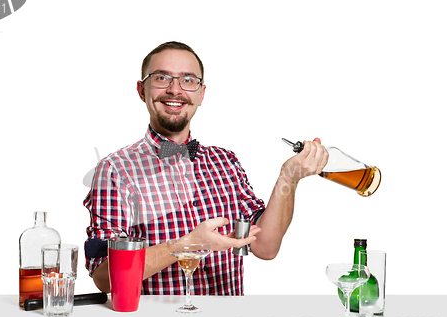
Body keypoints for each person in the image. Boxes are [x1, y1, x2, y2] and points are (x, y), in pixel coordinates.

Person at [84, 41, 329, 295]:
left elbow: (265, 248)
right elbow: (104, 277)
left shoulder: (226, 162)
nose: (175, 90)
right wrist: (186, 245)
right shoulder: (115, 169)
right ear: (141, 90)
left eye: (188, 80)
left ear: (201, 94)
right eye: (161, 78)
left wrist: (289, 177)